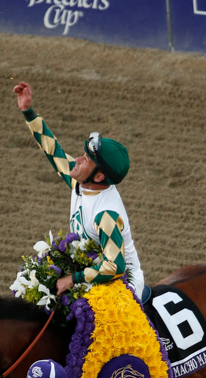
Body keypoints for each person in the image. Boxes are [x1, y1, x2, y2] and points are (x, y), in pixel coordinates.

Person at [12, 81, 145, 300]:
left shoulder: (106, 215)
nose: (80, 159)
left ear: (99, 176)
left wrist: (73, 279)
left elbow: (114, 266)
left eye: (87, 159)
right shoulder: (82, 183)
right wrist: (28, 112)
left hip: (122, 286)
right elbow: (54, 153)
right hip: (90, 270)